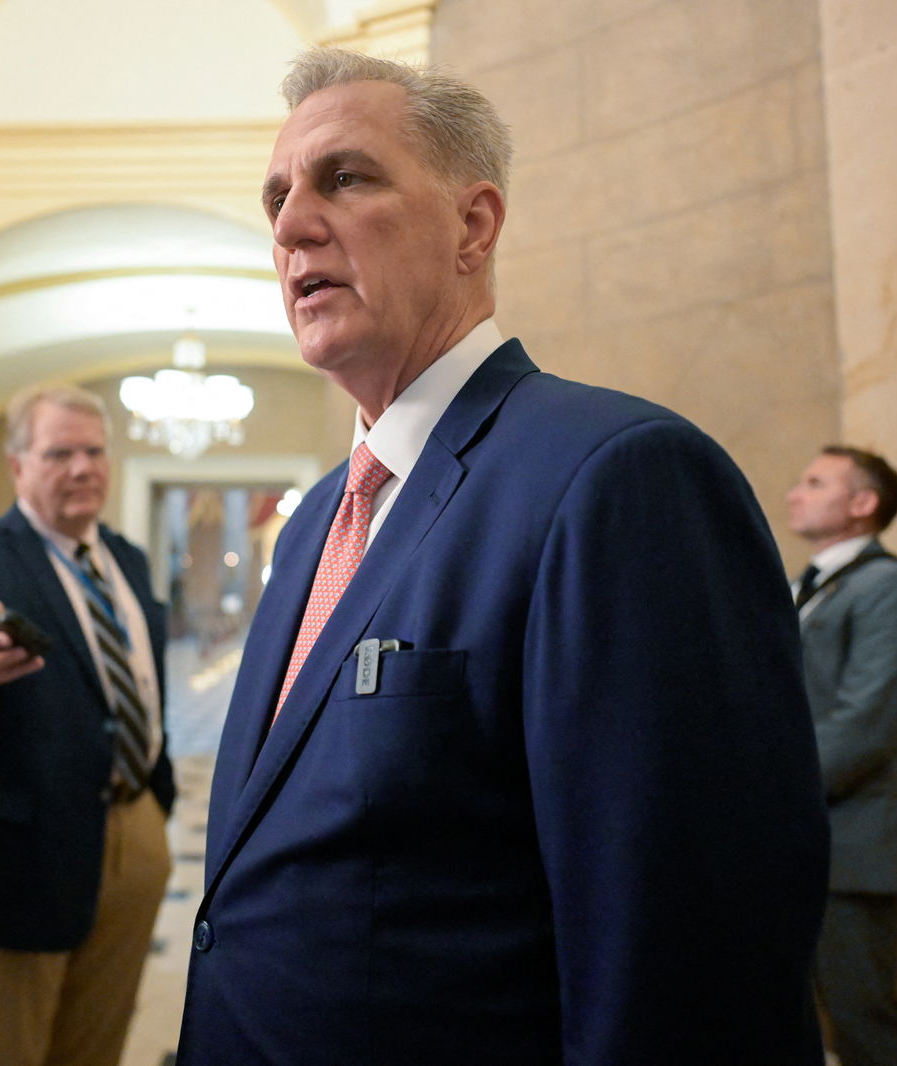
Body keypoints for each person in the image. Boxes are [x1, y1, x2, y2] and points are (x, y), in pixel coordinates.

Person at [174, 49, 830, 1065]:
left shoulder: (616, 479)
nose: (291, 224)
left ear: (473, 226)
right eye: (276, 196)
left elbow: (689, 956)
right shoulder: (311, 521)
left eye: (345, 178)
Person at [0, 385, 174, 1066]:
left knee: (96, 1044)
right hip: (24, 852)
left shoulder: (127, 559)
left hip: (133, 826)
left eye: (93, 451)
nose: (82, 468)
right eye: (59, 454)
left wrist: (157, 804)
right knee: (12, 1050)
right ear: (18, 466)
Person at [787, 445, 897, 1066]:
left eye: (815, 481)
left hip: (851, 840)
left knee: (863, 1017)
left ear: (863, 503)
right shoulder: (803, 584)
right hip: (796, 833)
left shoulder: (891, 588)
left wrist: (765, 788)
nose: (795, 491)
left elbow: (866, 726)